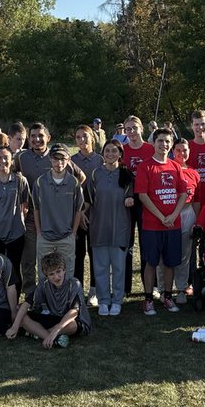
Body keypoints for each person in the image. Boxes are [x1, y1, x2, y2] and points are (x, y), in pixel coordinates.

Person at [134, 127, 190, 315]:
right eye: (160, 141)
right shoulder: (145, 166)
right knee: (151, 262)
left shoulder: (175, 166)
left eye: (167, 141)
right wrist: (161, 216)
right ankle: (149, 298)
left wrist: (173, 216)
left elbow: (183, 193)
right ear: (153, 143)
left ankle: (167, 296)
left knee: (170, 262)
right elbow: (143, 196)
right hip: (152, 225)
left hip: (173, 223)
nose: (164, 144)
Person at [86, 139, 134, 316]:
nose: (110, 154)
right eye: (107, 151)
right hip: (99, 226)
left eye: (114, 151)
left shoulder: (127, 174)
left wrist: (131, 199)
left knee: (119, 266)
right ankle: (104, 300)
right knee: (100, 266)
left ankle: (117, 300)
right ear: (103, 153)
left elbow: (132, 196)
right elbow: (88, 200)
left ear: (120, 154)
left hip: (120, 226)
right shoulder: (95, 174)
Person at [6, 251, 91, 349]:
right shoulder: (44, 284)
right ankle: (51, 338)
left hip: (73, 321)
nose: (56, 277)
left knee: (72, 325)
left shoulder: (74, 284)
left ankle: (35, 333)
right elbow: (27, 303)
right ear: (46, 275)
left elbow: (74, 312)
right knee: (20, 313)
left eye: (58, 271)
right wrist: (14, 327)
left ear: (64, 270)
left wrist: (55, 331)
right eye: (51, 274)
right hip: (54, 317)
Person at [32, 143, 85, 288]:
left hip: (66, 236)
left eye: (63, 159)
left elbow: (78, 210)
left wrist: (73, 233)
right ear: (50, 159)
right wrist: (39, 231)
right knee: (44, 273)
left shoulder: (74, 183)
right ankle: (44, 305)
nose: (59, 163)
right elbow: (36, 208)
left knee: (67, 272)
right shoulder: (40, 182)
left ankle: (66, 303)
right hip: (45, 236)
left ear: (68, 160)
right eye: (55, 159)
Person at [0, 146, 29, 289]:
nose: (3, 161)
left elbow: (25, 206)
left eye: (6, 158)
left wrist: (17, 221)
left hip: (16, 232)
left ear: (12, 160)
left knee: (14, 266)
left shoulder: (20, 181)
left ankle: (14, 302)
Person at [121, 115, 155, 295]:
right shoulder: (122, 150)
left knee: (147, 243)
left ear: (141, 128)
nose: (132, 132)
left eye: (134, 128)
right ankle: (126, 287)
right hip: (127, 200)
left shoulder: (150, 149)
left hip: (147, 201)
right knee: (127, 244)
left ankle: (150, 285)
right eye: (128, 129)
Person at [71, 125, 104, 305]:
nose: (82, 140)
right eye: (78, 137)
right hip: (76, 214)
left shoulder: (100, 160)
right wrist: (80, 212)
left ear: (92, 138)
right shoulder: (71, 160)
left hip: (95, 214)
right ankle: (77, 290)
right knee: (77, 253)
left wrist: (87, 211)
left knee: (94, 252)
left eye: (85, 136)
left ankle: (94, 290)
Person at [171, 138, 201, 303]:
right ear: (172, 151)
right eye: (178, 150)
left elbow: (196, 200)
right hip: (169, 214)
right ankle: (164, 288)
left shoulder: (194, 172)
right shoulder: (167, 168)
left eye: (185, 150)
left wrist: (196, 220)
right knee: (167, 253)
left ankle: (181, 288)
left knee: (185, 253)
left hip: (187, 213)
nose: (182, 153)